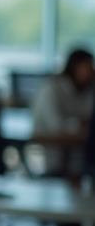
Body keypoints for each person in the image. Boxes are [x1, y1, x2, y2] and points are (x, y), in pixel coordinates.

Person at [31, 47, 94, 176]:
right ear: (75, 67)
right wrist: (81, 122)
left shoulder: (88, 88)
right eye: (89, 66)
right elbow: (56, 125)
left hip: (78, 151)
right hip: (52, 152)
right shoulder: (52, 89)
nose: (92, 71)